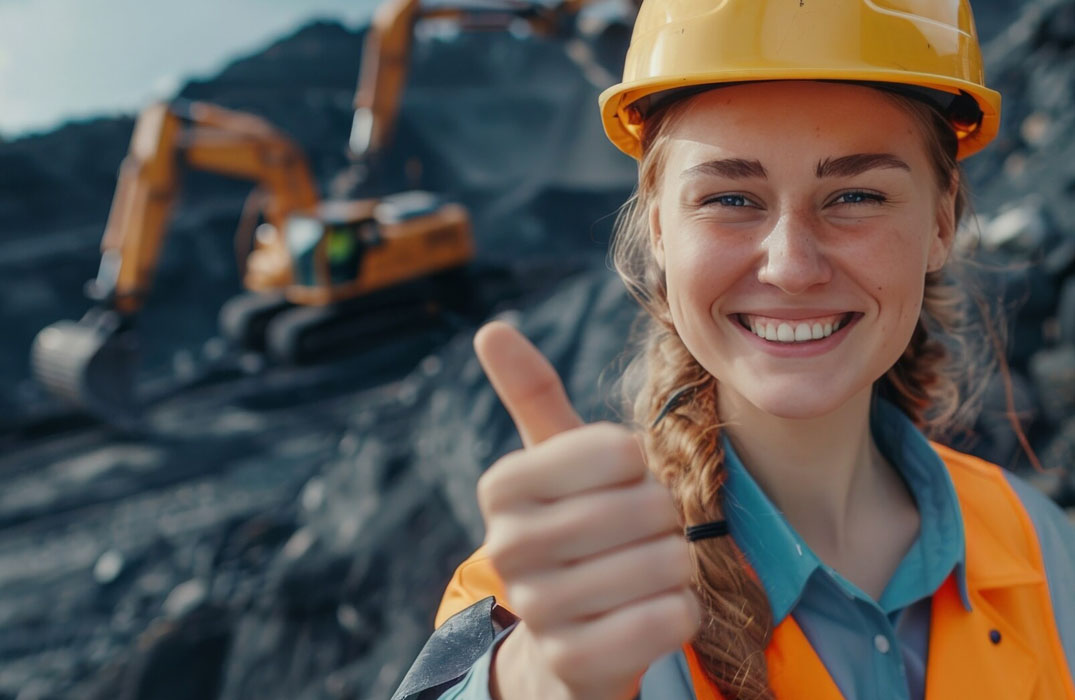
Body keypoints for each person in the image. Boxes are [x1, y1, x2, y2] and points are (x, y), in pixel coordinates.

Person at [393, 1, 1075, 698]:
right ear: (659, 231)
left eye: (856, 195)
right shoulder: (553, 594)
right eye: (729, 200)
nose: (791, 265)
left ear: (939, 221)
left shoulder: (1036, 542)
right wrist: (539, 680)